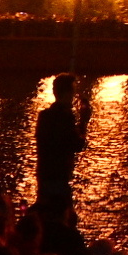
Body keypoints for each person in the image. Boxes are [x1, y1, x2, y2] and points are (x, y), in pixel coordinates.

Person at [36, 79, 87, 232]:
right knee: (65, 221)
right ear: (68, 93)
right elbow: (77, 145)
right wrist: (83, 122)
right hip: (59, 176)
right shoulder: (66, 118)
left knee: (44, 217)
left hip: (44, 174)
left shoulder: (44, 116)